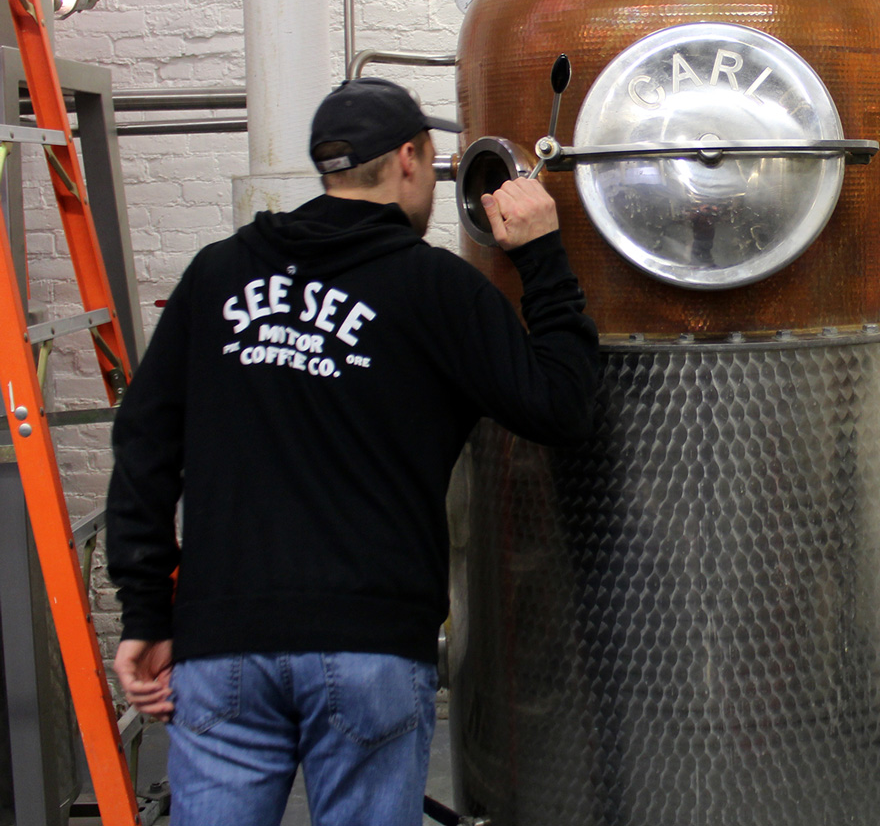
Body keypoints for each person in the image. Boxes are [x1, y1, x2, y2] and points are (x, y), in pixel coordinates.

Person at [105, 77, 599, 826]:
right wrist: (542, 255)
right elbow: (564, 406)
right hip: (369, 647)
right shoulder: (439, 289)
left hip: (222, 645)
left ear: (329, 169)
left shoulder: (217, 273)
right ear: (409, 157)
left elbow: (142, 447)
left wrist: (145, 612)